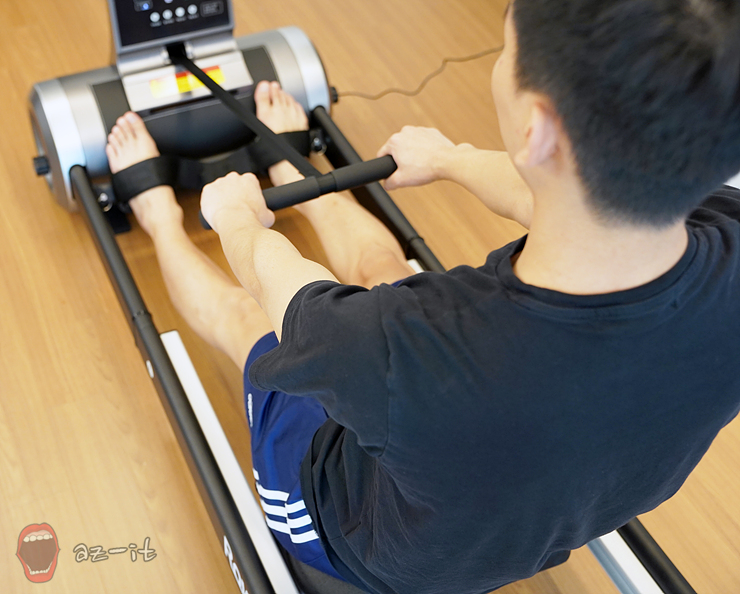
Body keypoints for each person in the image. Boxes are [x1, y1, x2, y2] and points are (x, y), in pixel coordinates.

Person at [106, 0, 740, 591]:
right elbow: (560, 198)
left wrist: (235, 219)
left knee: (251, 322)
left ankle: (157, 215)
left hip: (347, 526)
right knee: (384, 268)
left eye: (507, 52)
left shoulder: (402, 346)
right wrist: (450, 159)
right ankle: (293, 167)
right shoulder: (729, 238)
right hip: (527, 505)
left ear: (537, 129)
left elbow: (289, 296)